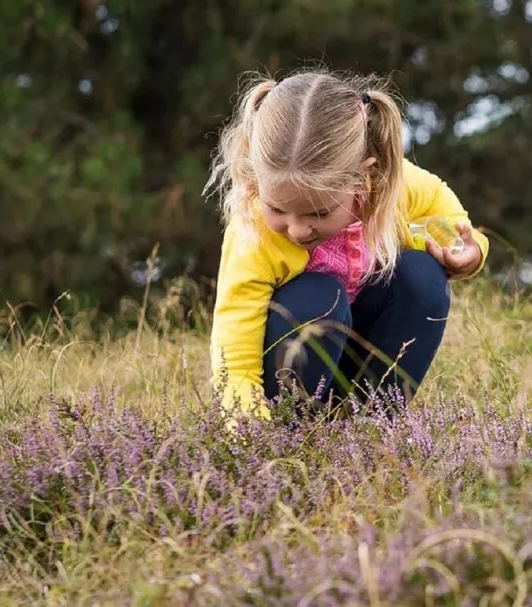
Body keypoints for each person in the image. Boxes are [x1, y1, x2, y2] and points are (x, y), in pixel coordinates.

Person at [205, 70, 487, 418]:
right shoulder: (255, 231)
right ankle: (290, 427)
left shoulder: (390, 186)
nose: (296, 230)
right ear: (254, 177)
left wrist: (468, 254)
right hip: (286, 373)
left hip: (355, 359)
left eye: (318, 212)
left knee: (422, 275)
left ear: (361, 176)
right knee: (321, 295)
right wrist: (246, 420)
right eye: (278, 208)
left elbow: (447, 216)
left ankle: (371, 424)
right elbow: (235, 339)